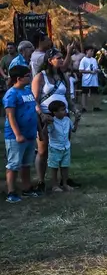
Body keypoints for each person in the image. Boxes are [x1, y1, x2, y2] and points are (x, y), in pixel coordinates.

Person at [31, 48, 76, 191]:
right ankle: (41, 181)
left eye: (62, 57)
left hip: (63, 117)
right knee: (43, 150)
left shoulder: (64, 76)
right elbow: (35, 99)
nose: (62, 60)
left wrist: (74, 109)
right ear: (50, 61)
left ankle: (63, 181)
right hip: (46, 117)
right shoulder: (40, 77)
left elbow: (68, 96)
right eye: (58, 58)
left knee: (64, 147)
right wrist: (42, 115)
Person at [4, 66, 39, 202]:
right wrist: (18, 134)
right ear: (18, 79)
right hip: (16, 137)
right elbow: (10, 116)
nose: (30, 77)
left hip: (30, 134)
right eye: (27, 75)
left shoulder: (27, 91)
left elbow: (33, 111)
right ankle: (11, 192)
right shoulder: (11, 94)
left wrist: (39, 131)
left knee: (26, 164)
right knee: (14, 164)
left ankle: (27, 188)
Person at [43, 100, 75, 192]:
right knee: (54, 167)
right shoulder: (52, 122)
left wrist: (76, 120)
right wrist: (46, 123)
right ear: (54, 112)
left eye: (65, 109)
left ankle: (64, 184)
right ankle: (54, 185)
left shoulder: (67, 120)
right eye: (61, 110)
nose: (64, 111)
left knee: (65, 166)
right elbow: (45, 133)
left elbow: (73, 129)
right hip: (55, 148)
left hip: (66, 147)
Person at [78, 44, 102, 112]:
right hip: (86, 80)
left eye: (93, 51)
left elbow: (96, 68)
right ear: (86, 51)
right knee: (84, 93)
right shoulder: (83, 60)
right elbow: (81, 70)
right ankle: (84, 107)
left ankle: (96, 106)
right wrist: (89, 72)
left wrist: (97, 70)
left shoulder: (94, 60)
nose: (92, 52)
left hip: (94, 79)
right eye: (91, 51)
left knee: (94, 93)